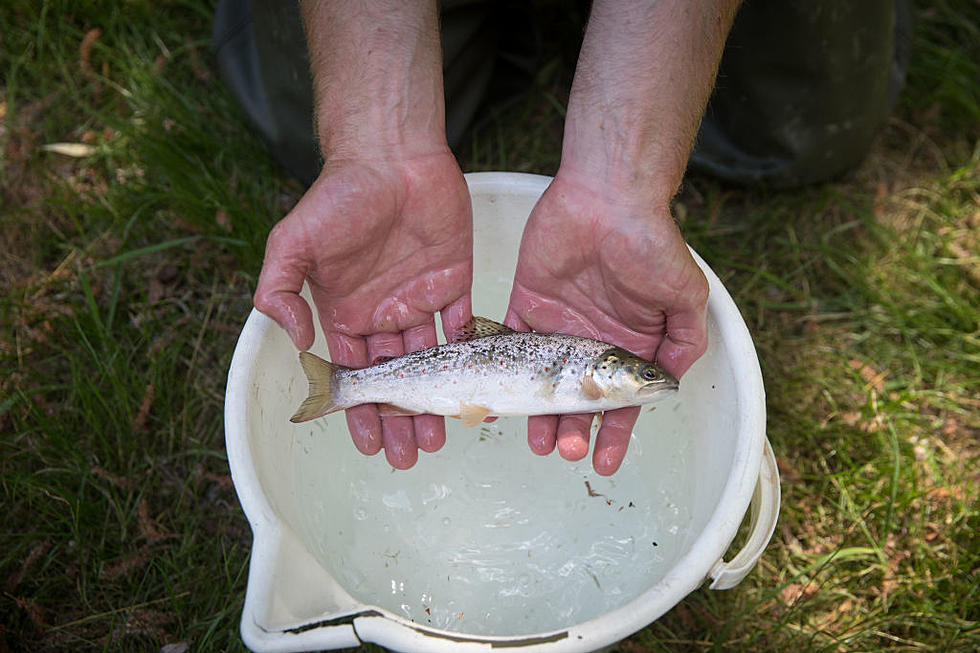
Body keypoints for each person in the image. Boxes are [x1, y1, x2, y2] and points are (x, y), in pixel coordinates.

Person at [215, 0, 907, 474]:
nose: (643, 382)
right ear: (604, 375)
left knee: (798, 131)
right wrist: (376, 145)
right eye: (634, 377)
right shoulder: (585, 368)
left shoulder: (586, 373)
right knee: (296, 112)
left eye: (635, 376)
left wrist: (623, 180)